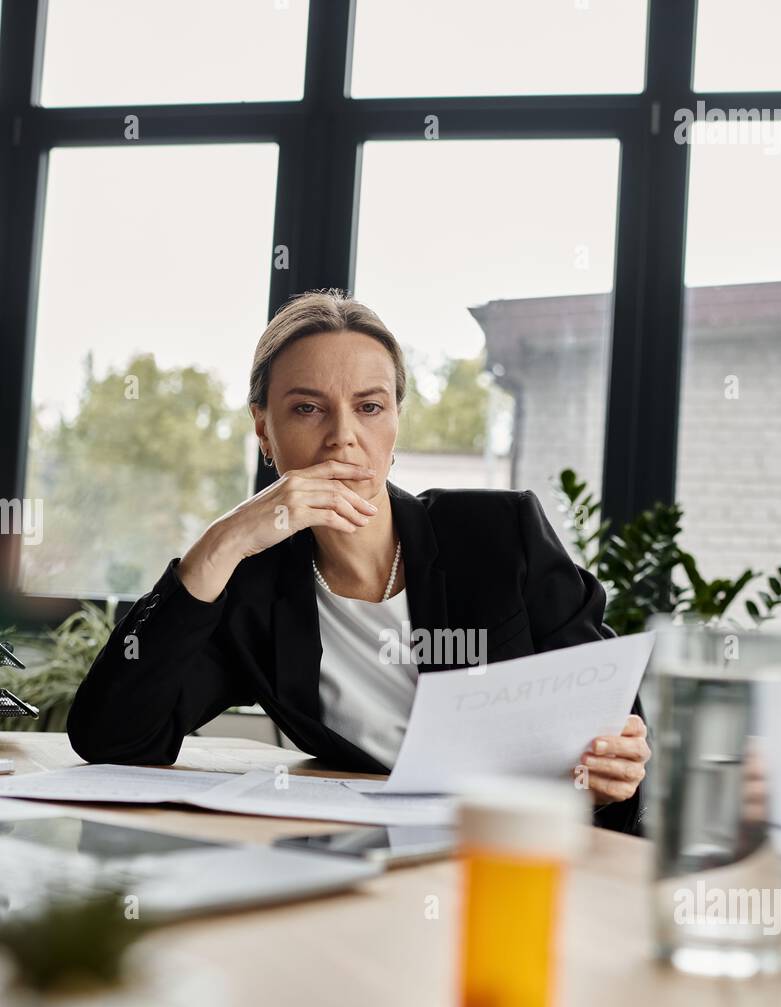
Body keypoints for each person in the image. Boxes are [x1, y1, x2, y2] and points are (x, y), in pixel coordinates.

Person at [67, 289, 650, 834]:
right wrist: (224, 539)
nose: (342, 438)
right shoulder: (253, 589)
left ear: (396, 422)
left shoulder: (499, 532)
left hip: (529, 851)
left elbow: (612, 719)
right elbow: (114, 739)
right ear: (264, 431)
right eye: (306, 409)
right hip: (371, 857)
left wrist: (610, 770)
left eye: (369, 407)